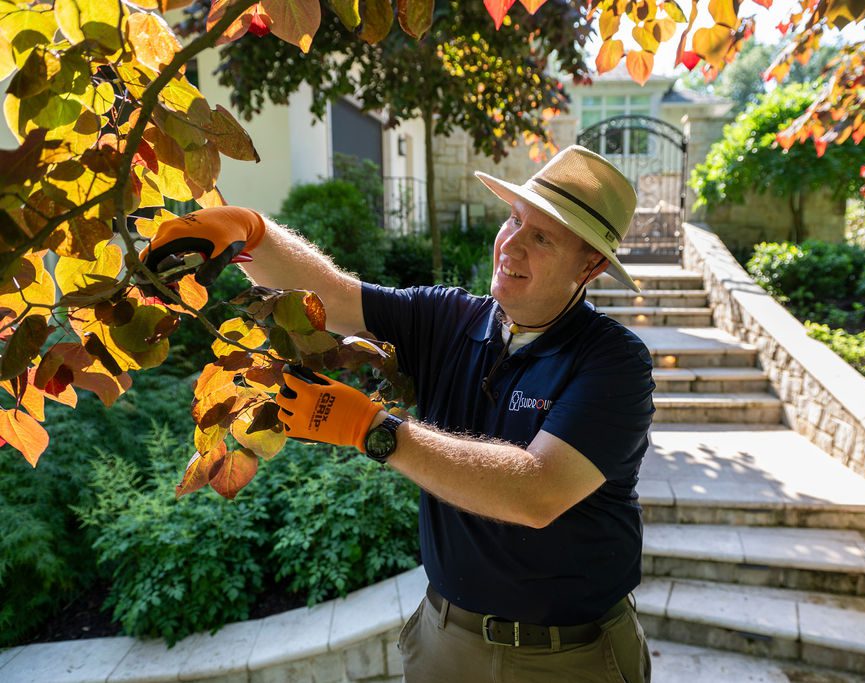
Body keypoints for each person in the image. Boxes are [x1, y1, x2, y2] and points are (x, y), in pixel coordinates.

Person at [143, 145, 655, 682]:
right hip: (446, 642)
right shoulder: (447, 318)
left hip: (570, 659)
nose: (512, 245)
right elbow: (336, 299)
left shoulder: (615, 363)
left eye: (543, 237)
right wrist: (249, 231)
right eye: (514, 220)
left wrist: (372, 430)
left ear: (590, 265)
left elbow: (537, 492)